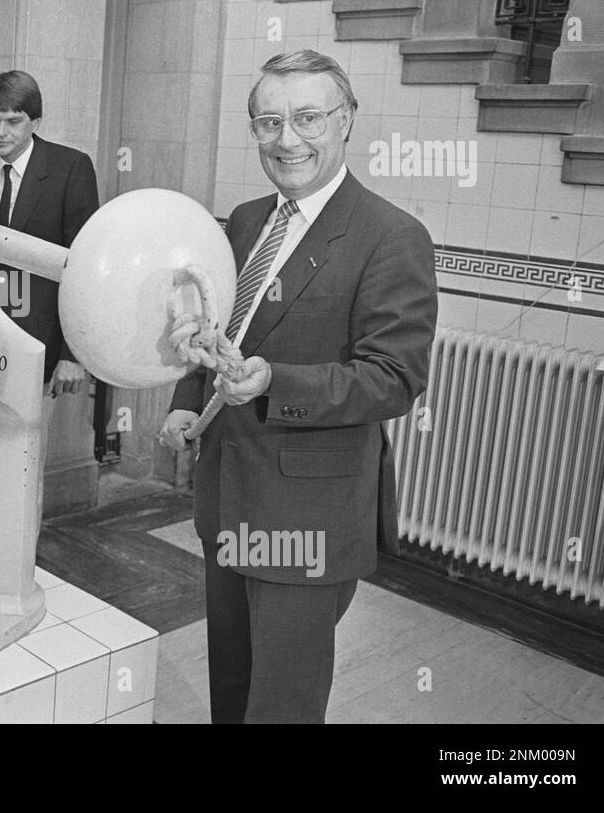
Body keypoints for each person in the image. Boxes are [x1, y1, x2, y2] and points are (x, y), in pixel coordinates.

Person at [160, 49, 437, 723]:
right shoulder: (248, 220)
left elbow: (393, 379)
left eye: (308, 118)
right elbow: (216, 329)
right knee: (233, 680)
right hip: (228, 493)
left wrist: (275, 381)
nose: (288, 140)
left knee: (281, 702)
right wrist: (184, 403)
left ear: (346, 122)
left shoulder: (391, 236)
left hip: (307, 512)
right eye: (269, 122)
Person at [0, 71, 99, 399]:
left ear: (36, 121)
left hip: (41, 345)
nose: (0, 132)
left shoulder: (71, 168)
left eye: (13, 121)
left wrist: (72, 353)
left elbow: (83, 269)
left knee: (26, 444)